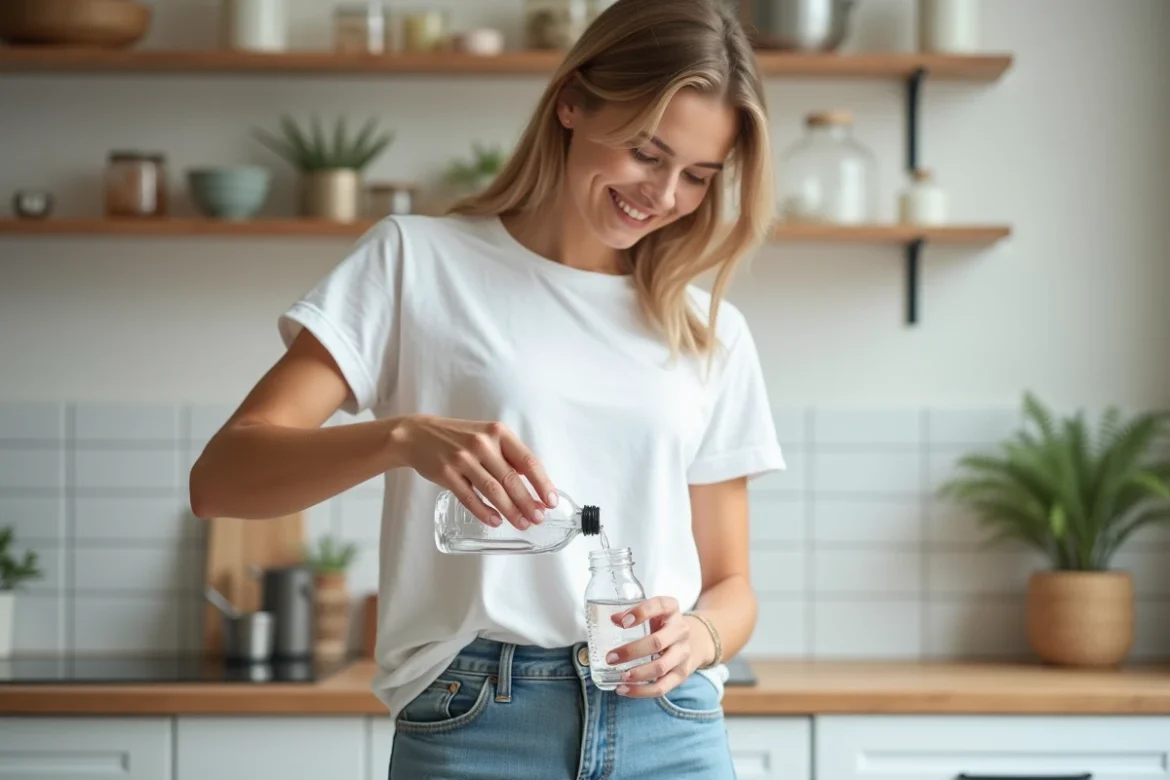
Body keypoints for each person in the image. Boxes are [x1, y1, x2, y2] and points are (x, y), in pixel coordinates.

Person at [189, 0, 785, 776]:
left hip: (668, 725)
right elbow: (221, 479)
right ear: (571, 100)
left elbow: (732, 584)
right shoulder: (416, 263)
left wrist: (701, 636)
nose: (663, 194)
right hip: (478, 723)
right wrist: (400, 438)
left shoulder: (709, 329)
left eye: (698, 176)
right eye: (647, 151)